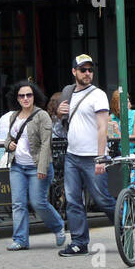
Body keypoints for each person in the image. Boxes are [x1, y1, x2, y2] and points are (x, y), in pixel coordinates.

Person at [55, 53, 116, 257]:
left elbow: (102, 128)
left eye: (90, 69)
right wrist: (59, 113)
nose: (88, 73)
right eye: (83, 70)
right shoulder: (69, 93)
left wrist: (101, 157)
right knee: (73, 200)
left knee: (102, 199)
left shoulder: (98, 94)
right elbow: (63, 124)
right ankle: (79, 242)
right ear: (74, 72)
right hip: (72, 155)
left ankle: (126, 224)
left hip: (92, 157)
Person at [1, 81, 67, 250]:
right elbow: (8, 138)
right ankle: (20, 240)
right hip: (17, 166)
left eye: (28, 95)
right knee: (18, 203)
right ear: (17, 98)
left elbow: (46, 144)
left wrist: (42, 167)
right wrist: (8, 145)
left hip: (37, 166)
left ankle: (58, 226)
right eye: (21, 95)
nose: (25, 98)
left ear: (34, 96)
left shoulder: (42, 115)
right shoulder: (13, 116)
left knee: (38, 202)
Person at [108, 89, 135, 155]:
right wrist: (110, 131)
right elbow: (110, 140)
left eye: (127, 102)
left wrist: (118, 133)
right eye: (122, 102)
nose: (126, 105)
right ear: (115, 105)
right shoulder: (111, 117)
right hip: (119, 154)